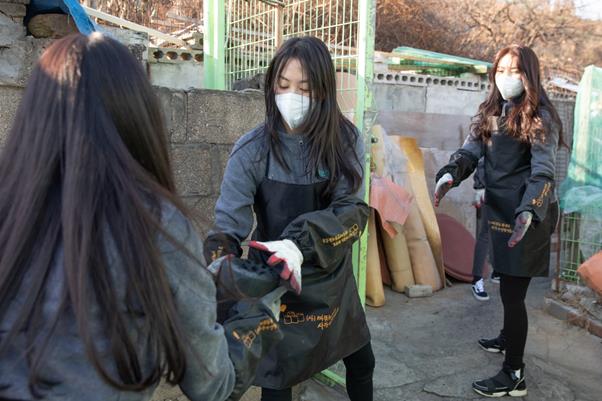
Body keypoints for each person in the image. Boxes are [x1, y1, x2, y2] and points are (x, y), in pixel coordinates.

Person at [0, 33, 283, 401]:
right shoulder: (153, 220)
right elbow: (210, 382)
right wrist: (256, 317)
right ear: (138, 116)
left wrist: (205, 281)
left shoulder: (11, 210)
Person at [204, 36, 375, 401]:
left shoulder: (344, 141)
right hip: (275, 285)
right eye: (283, 85)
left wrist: (301, 242)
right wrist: (219, 270)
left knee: (362, 363)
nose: (292, 96)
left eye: (305, 87)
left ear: (324, 91)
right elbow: (227, 227)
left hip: (330, 280)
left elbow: (352, 213)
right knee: (277, 382)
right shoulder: (252, 150)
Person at [434, 44, 561, 397]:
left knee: (512, 294)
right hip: (500, 209)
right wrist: (451, 172)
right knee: (504, 278)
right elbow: (472, 150)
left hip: (527, 215)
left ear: (529, 75)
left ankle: (514, 373)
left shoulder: (541, 118)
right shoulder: (492, 111)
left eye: (515, 70)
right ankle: (507, 339)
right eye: (501, 70)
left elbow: (543, 173)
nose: (506, 77)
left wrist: (528, 210)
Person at [471, 158, 490, 301]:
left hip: (511, 190)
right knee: (485, 234)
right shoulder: (494, 136)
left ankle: (498, 272)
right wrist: (480, 185)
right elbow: (483, 158)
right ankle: (477, 279)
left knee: (506, 232)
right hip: (490, 188)